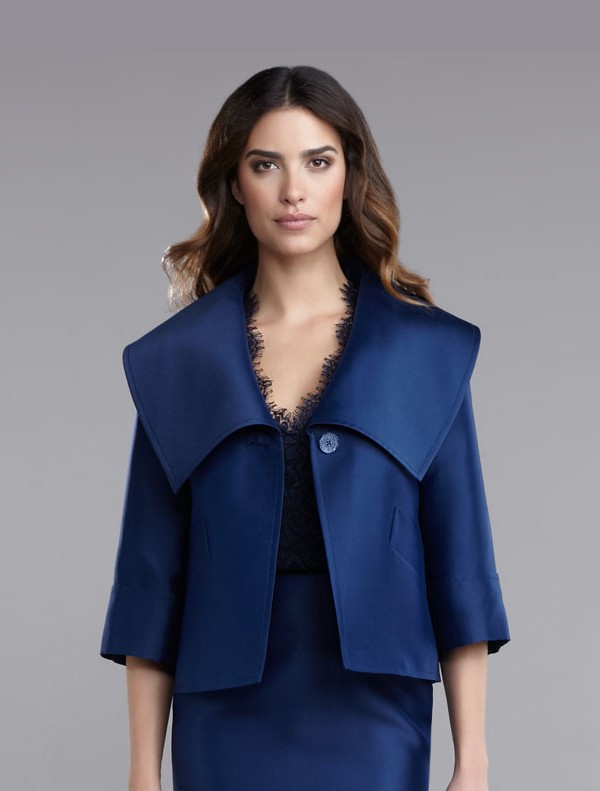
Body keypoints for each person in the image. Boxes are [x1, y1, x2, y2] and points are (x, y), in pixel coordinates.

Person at [99, 65, 511, 791]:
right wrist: (142, 772)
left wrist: (472, 761)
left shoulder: (423, 352)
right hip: (223, 712)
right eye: (266, 165)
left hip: (376, 707)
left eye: (317, 162)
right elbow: (149, 577)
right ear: (235, 185)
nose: (293, 190)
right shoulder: (180, 360)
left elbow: (461, 562)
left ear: (349, 177)